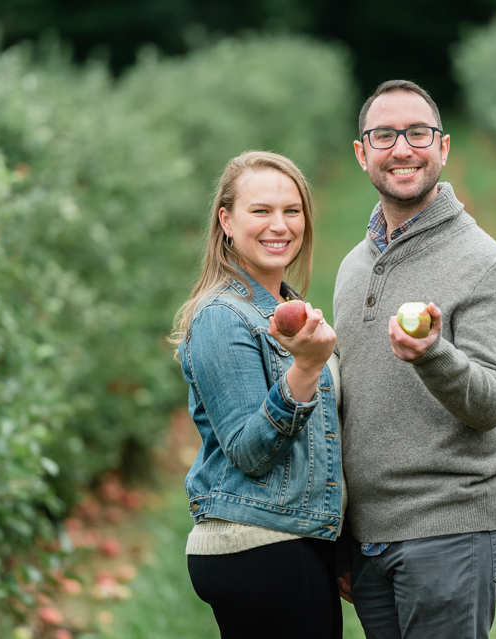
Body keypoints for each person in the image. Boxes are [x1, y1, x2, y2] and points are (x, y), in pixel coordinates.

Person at [333, 80, 496, 638]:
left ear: (442, 147)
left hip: (452, 528)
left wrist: (434, 355)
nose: (402, 148)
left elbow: (494, 401)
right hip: (371, 537)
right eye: (384, 135)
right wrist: (345, 530)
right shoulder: (354, 266)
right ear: (361, 152)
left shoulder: (484, 263)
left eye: (417, 133)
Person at [171, 151, 344, 638]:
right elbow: (249, 450)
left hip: (289, 542)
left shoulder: (288, 310)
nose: (280, 225)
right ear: (226, 220)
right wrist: (307, 367)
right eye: (261, 211)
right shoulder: (222, 317)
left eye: (292, 211)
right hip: (260, 544)